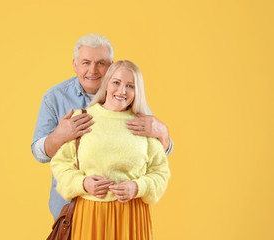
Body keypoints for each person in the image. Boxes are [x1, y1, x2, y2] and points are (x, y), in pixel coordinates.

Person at [31, 33, 173, 220]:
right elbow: (39, 155)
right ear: (74, 65)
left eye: (101, 63)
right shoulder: (55, 98)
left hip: (125, 212)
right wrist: (59, 135)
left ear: (111, 66)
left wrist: (163, 133)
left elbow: (158, 157)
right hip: (71, 210)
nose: (93, 70)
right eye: (86, 62)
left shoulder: (129, 98)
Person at [50, 60, 170, 239]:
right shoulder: (82, 119)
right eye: (116, 82)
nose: (122, 91)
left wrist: (137, 187)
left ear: (137, 91)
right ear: (106, 83)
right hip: (90, 216)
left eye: (130, 86)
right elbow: (61, 165)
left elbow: (160, 172)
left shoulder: (145, 124)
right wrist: (83, 184)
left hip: (132, 219)